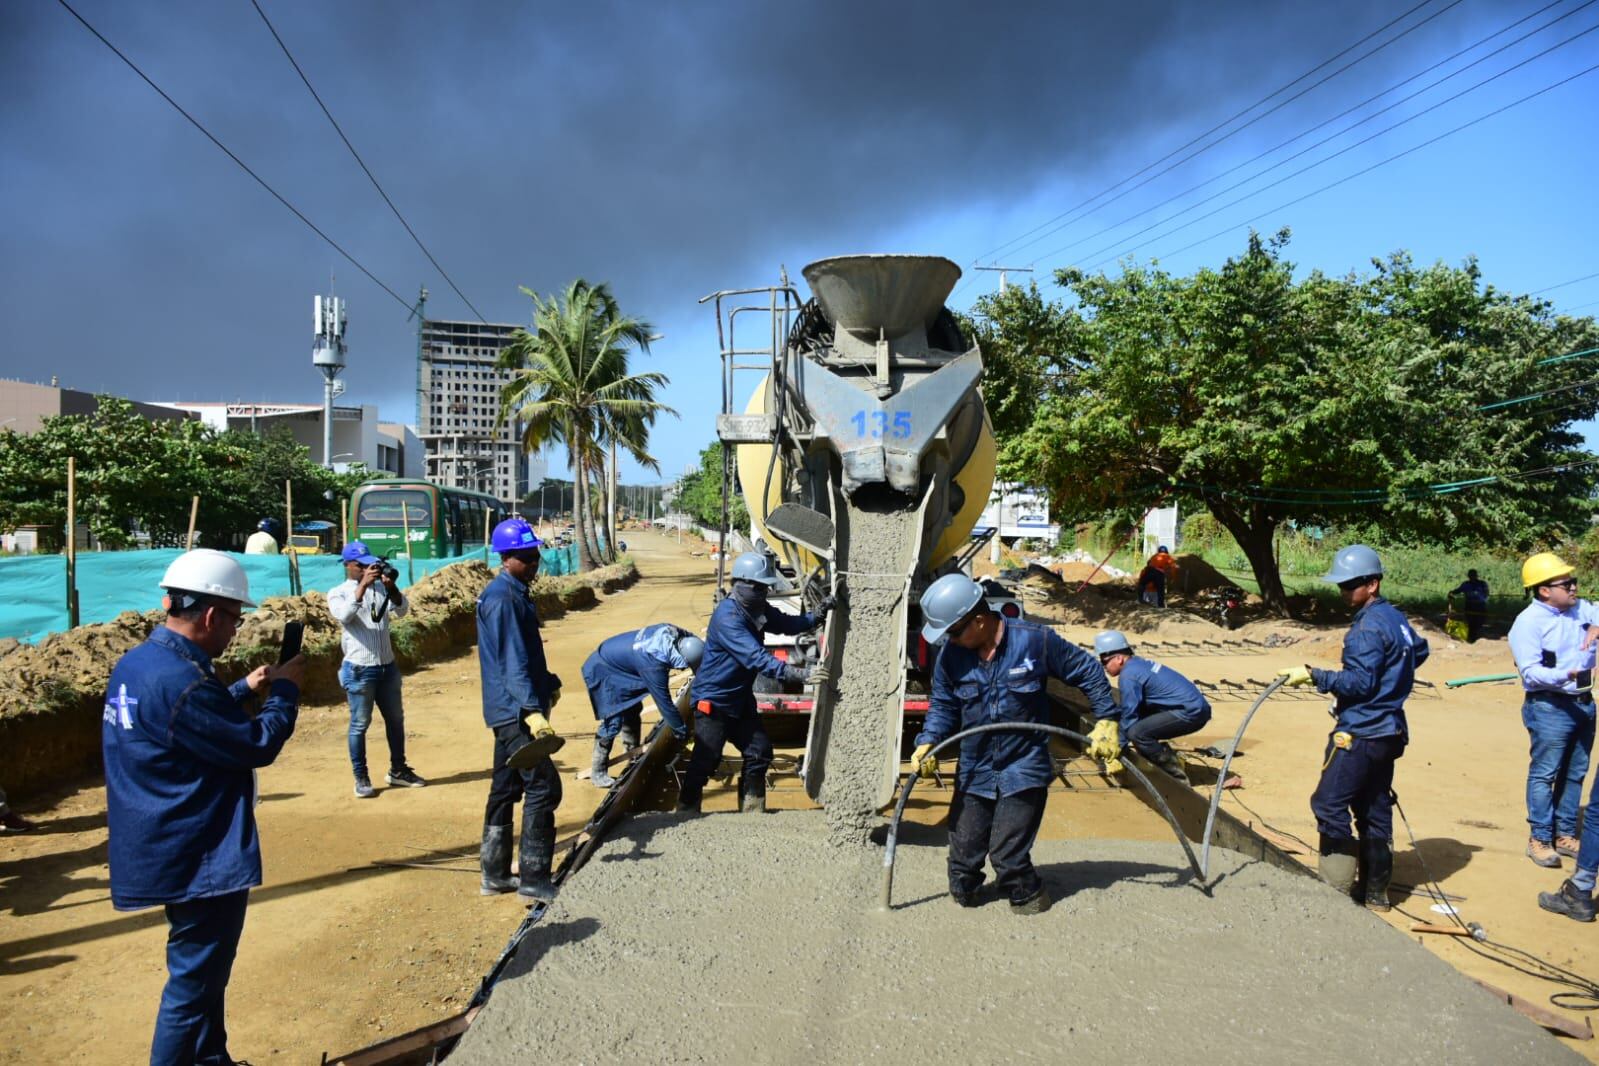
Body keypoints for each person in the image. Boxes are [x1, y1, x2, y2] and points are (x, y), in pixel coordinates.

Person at [102, 549, 303, 1065]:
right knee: (192, 988)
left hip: (165, 841)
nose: (235, 631)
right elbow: (256, 743)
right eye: (235, 619)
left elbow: (185, 724)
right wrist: (284, 692)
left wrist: (241, 689)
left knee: (205, 976)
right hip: (198, 853)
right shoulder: (183, 680)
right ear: (211, 616)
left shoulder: (142, 664)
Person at [911, 573, 1119, 915]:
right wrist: (928, 741)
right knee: (962, 862)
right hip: (975, 766)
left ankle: (1030, 899)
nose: (949, 639)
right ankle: (968, 894)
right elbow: (944, 705)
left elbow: (1088, 672)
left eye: (953, 631)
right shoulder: (952, 656)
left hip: (1023, 766)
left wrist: (1107, 720)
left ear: (978, 621)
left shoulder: (1035, 642)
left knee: (1007, 856)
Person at [1276, 544, 1429, 911]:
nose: (1343, 592)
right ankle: (1376, 893)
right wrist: (1392, 682)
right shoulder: (1395, 618)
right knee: (1373, 806)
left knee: (1328, 804)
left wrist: (1315, 675)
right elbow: (1418, 652)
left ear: (1372, 584)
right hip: (1389, 731)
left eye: (1349, 585)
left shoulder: (1366, 629)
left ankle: (1336, 893)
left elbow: (1359, 683)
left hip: (1361, 732)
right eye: (1341, 585)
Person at [678, 552, 832, 815]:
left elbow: (786, 623)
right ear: (741, 584)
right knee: (706, 760)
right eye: (759, 587)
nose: (764, 592)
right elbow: (758, 659)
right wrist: (800, 675)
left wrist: (817, 615)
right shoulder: (728, 618)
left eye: (766, 588)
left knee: (760, 751)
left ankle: (752, 811)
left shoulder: (755, 608)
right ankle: (685, 810)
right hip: (713, 703)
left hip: (739, 701)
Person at [476, 518, 565, 900]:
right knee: (543, 786)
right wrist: (533, 709)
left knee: (505, 787)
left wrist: (546, 682)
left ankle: (494, 874)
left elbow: (522, 657)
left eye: (536, 556)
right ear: (506, 557)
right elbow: (512, 661)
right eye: (527, 558)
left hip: (508, 706)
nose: (534, 563)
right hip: (515, 713)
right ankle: (533, 877)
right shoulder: (504, 599)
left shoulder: (512, 592)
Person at [1507, 551, 1598, 871]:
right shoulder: (1528, 624)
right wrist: (1567, 674)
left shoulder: (1581, 609)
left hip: (1584, 704)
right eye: (1567, 583)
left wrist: (1598, 626)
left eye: (1574, 582)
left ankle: (1564, 834)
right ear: (1545, 590)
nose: (1574, 588)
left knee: (1575, 773)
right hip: (1549, 705)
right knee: (1545, 774)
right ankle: (1541, 838)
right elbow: (1530, 672)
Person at [328, 540, 425, 798]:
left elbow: (403, 610)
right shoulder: (338, 592)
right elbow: (344, 615)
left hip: (387, 667)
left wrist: (391, 587)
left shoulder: (380, 588)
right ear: (348, 565)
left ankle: (398, 770)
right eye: (361, 565)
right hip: (360, 669)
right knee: (360, 725)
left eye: (370, 564)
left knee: (396, 720)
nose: (367, 568)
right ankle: (361, 777)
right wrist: (362, 586)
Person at [580, 623, 704, 788]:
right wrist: (683, 735)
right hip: (602, 669)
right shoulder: (653, 665)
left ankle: (632, 754)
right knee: (613, 720)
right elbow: (665, 705)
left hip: (621, 663)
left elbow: (694, 644)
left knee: (632, 709)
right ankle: (598, 771)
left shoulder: (673, 632)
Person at [1093, 629, 1211, 783]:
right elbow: (1133, 710)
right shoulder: (1137, 665)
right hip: (1190, 707)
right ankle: (1157, 759)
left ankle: (1175, 778)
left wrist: (1117, 747)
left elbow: (1129, 715)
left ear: (1119, 658)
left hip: (1190, 713)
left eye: (1105, 661)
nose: (1104, 667)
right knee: (1137, 726)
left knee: (1137, 733)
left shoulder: (1128, 675)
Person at [1449, 568, 1490, 643]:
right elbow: (1458, 590)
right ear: (1469, 576)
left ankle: (1477, 638)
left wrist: (1481, 599)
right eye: (1471, 575)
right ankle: (1471, 638)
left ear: (1476, 576)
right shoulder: (1466, 584)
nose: (1472, 577)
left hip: (1480, 607)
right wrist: (1451, 592)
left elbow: (1487, 593)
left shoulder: (1482, 584)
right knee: (1470, 623)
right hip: (1470, 606)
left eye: (1473, 575)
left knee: (1479, 623)